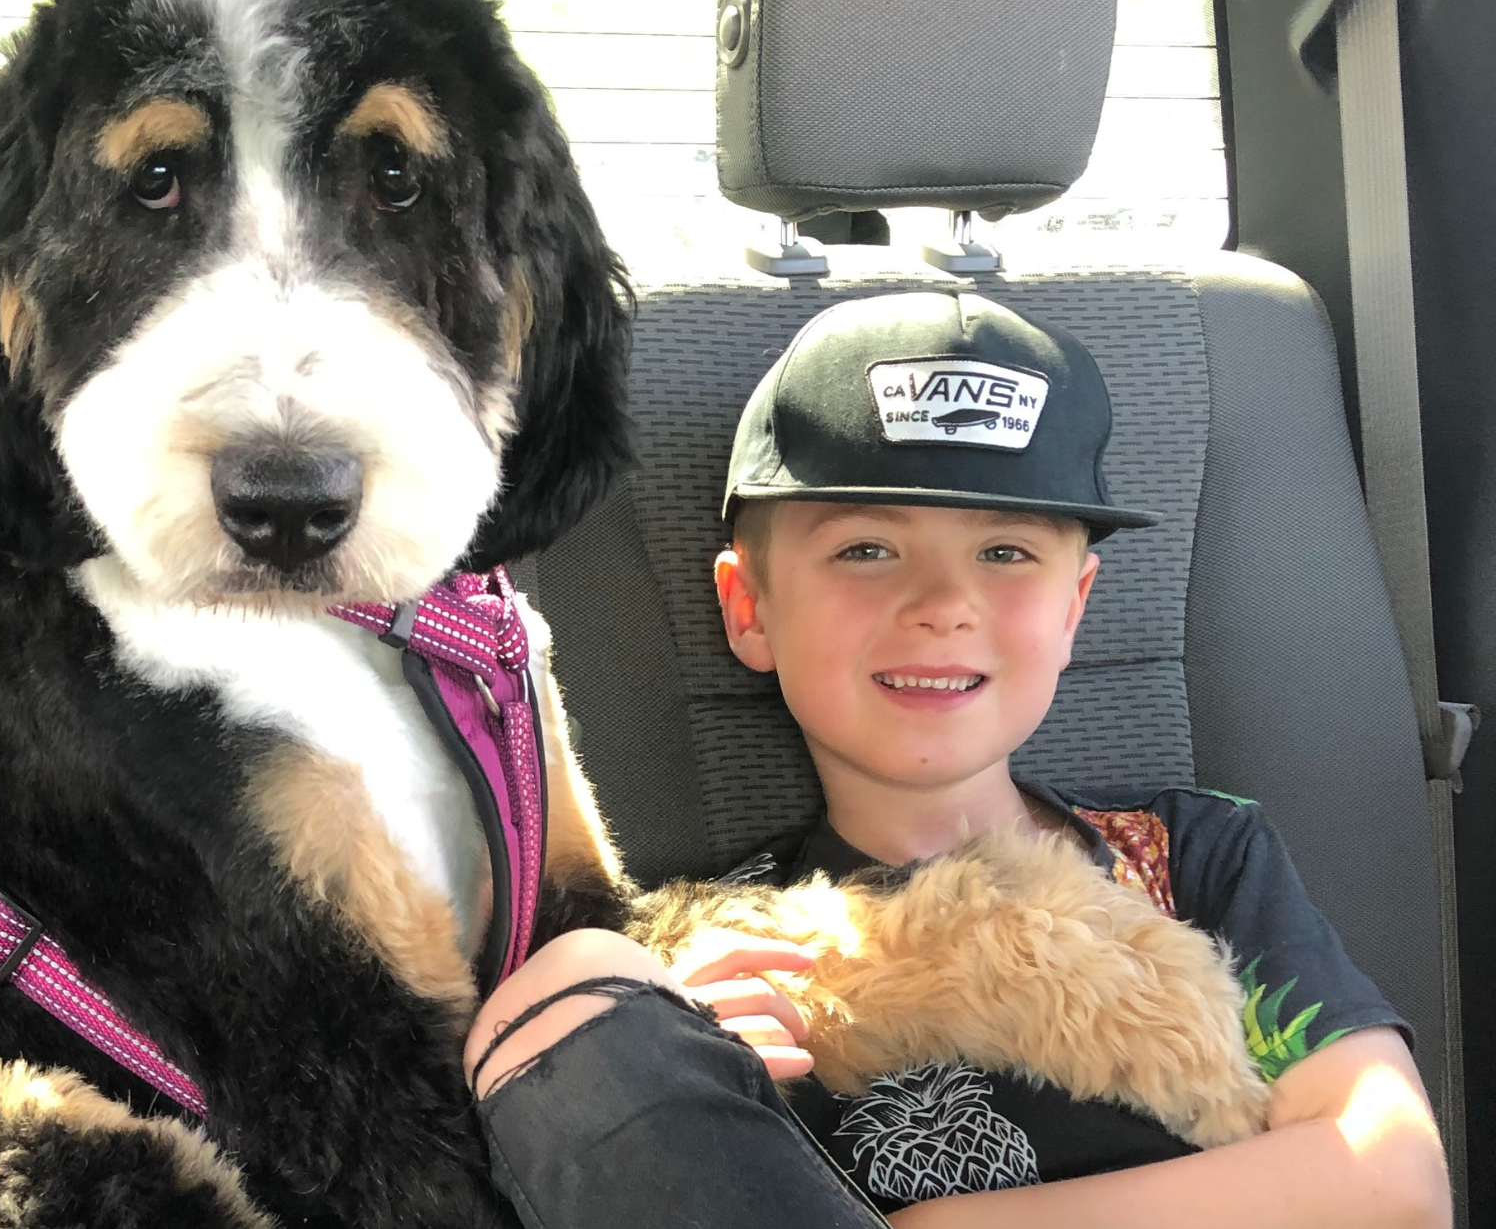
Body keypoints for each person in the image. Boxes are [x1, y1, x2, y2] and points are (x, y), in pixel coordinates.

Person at [464, 292, 1451, 1229]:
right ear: (749, 608)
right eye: (864, 550)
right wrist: (658, 1056)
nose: (942, 602)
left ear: (1073, 608)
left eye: (1004, 553)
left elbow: (1392, 1180)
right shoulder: (711, 958)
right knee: (567, 996)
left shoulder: (1189, 857)